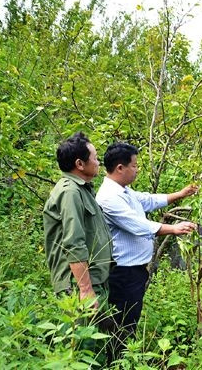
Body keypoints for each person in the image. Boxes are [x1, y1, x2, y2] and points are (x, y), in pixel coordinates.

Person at [95, 142, 198, 347]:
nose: (137, 169)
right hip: (124, 273)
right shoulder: (108, 197)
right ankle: (117, 360)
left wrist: (180, 194)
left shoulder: (123, 191)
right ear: (120, 168)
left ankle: (123, 356)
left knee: (129, 321)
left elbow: (147, 200)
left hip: (134, 271)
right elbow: (137, 225)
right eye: (134, 165)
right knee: (123, 325)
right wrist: (174, 228)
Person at [43, 132, 113, 309]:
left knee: (99, 335)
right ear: (80, 164)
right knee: (83, 336)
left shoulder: (82, 190)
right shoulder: (70, 192)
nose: (98, 163)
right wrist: (85, 289)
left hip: (95, 280)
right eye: (95, 158)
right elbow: (73, 243)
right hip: (79, 286)